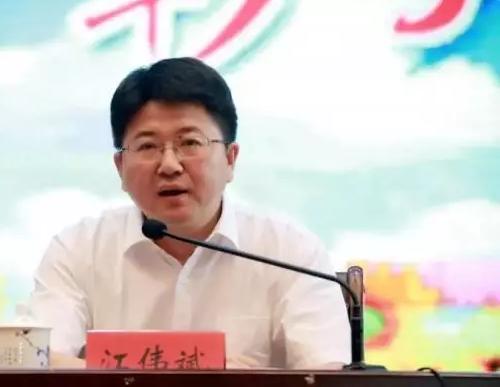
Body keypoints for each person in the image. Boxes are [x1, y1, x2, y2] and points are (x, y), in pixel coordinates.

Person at [27, 57, 350, 369]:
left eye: (190, 143)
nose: (169, 165)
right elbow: (32, 358)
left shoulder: (291, 253)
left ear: (230, 159)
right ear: (120, 166)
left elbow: (327, 375)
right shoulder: (79, 250)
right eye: (147, 146)